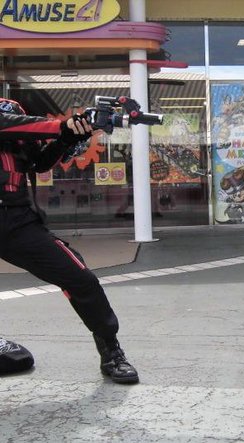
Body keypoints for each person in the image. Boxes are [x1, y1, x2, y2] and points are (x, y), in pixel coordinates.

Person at [0, 98, 138, 383]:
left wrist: (69, 137)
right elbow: (10, 125)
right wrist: (64, 124)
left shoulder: (15, 123)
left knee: (79, 277)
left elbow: (40, 163)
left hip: (16, 221)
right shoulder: (10, 121)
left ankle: (111, 351)